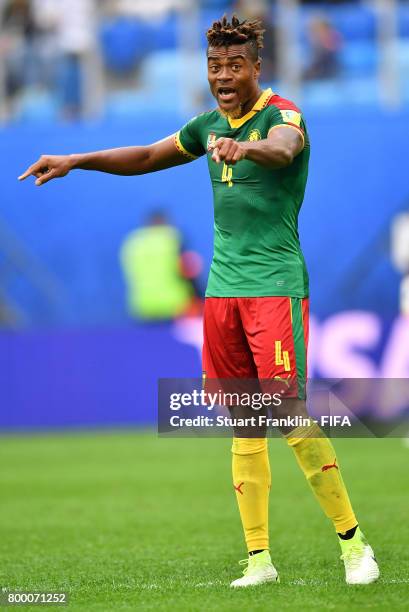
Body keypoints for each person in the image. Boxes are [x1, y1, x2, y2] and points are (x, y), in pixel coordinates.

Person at [19, 14, 379, 588]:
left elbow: (284, 150)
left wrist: (248, 148)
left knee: (287, 413)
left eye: (235, 65)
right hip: (222, 294)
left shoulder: (282, 115)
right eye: (215, 66)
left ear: (256, 67)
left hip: (274, 286)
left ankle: (354, 545)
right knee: (242, 422)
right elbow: (144, 156)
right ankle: (259, 559)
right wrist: (75, 160)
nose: (224, 76)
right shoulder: (207, 125)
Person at [119, 210, 201, 320]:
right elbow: (189, 271)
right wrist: (199, 298)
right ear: (166, 222)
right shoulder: (173, 238)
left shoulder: (133, 242)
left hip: (142, 306)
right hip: (176, 306)